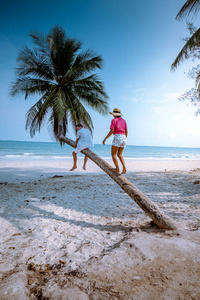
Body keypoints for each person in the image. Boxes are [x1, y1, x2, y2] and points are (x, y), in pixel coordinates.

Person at [102, 108, 128, 174]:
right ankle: (124, 167)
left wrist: (105, 139)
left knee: (113, 154)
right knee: (120, 155)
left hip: (118, 137)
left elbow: (112, 131)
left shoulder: (114, 120)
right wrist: (124, 138)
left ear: (114, 114)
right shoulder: (124, 121)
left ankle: (117, 168)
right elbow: (126, 131)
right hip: (124, 137)